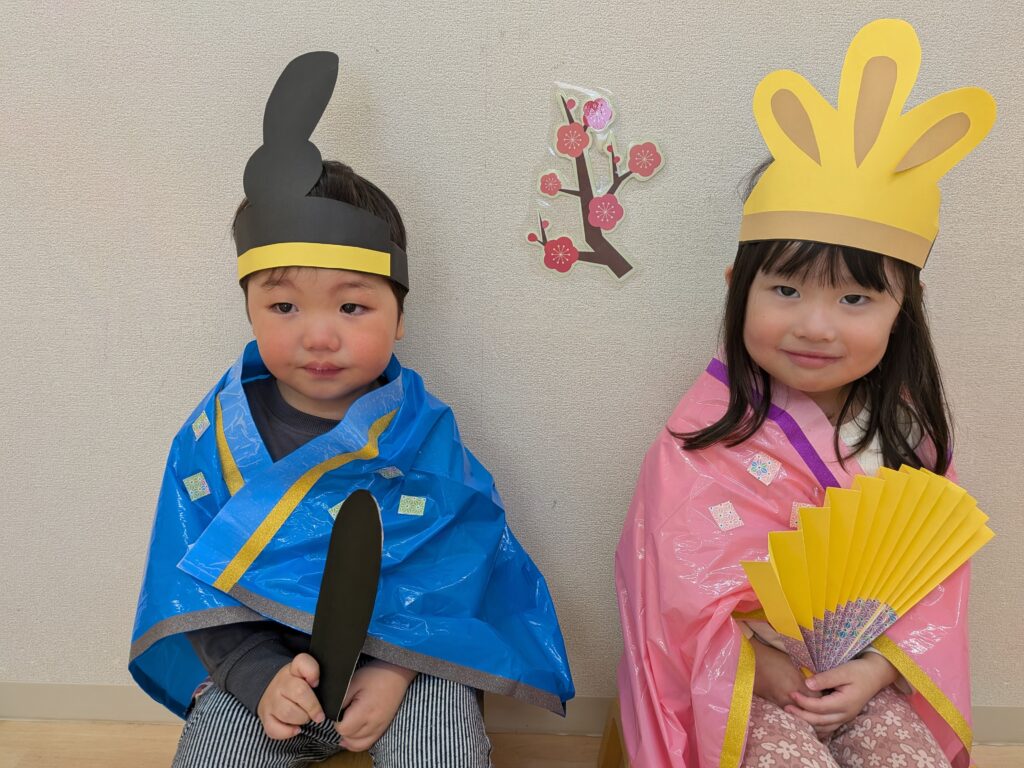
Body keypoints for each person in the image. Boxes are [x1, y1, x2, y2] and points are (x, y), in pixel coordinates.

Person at [129, 52, 574, 768]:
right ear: (248, 310)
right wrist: (259, 677)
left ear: (400, 317)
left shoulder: (423, 431)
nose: (319, 335)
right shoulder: (211, 440)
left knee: (445, 746)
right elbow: (189, 578)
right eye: (284, 306)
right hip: (262, 663)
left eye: (352, 306)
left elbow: (458, 565)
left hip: (409, 659)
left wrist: (395, 671)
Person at [615, 19, 994, 768]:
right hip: (744, 685)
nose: (815, 326)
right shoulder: (698, 441)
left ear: (903, 311)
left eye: (855, 299)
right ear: (738, 288)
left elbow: (935, 584)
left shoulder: (907, 440)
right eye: (786, 289)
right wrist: (762, 666)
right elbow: (673, 598)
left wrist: (879, 670)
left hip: (867, 679)